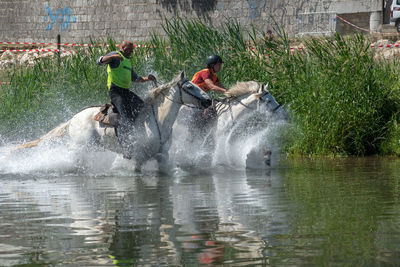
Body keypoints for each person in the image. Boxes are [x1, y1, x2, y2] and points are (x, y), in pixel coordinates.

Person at [97, 40, 156, 159]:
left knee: (143, 106)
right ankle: (126, 148)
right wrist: (113, 56)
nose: (130, 52)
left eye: (131, 50)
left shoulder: (128, 62)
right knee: (126, 116)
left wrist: (148, 78)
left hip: (126, 91)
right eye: (128, 50)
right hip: (115, 91)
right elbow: (99, 61)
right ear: (122, 48)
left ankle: (139, 134)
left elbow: (135, 78)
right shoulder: (115, 55)